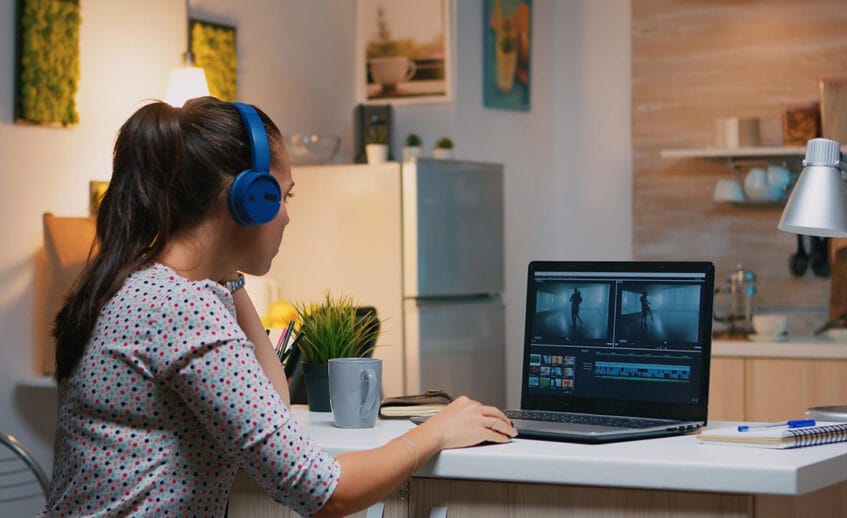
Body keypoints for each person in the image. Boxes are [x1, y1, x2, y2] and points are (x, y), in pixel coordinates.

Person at [42, 97, 516, 517]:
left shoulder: (143, 282)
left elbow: (271, 400)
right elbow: (324, 493)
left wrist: (227, 269)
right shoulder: (181, 308)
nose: (287, 213)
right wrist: (434, 432)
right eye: (282, 195)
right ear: (250, 200)